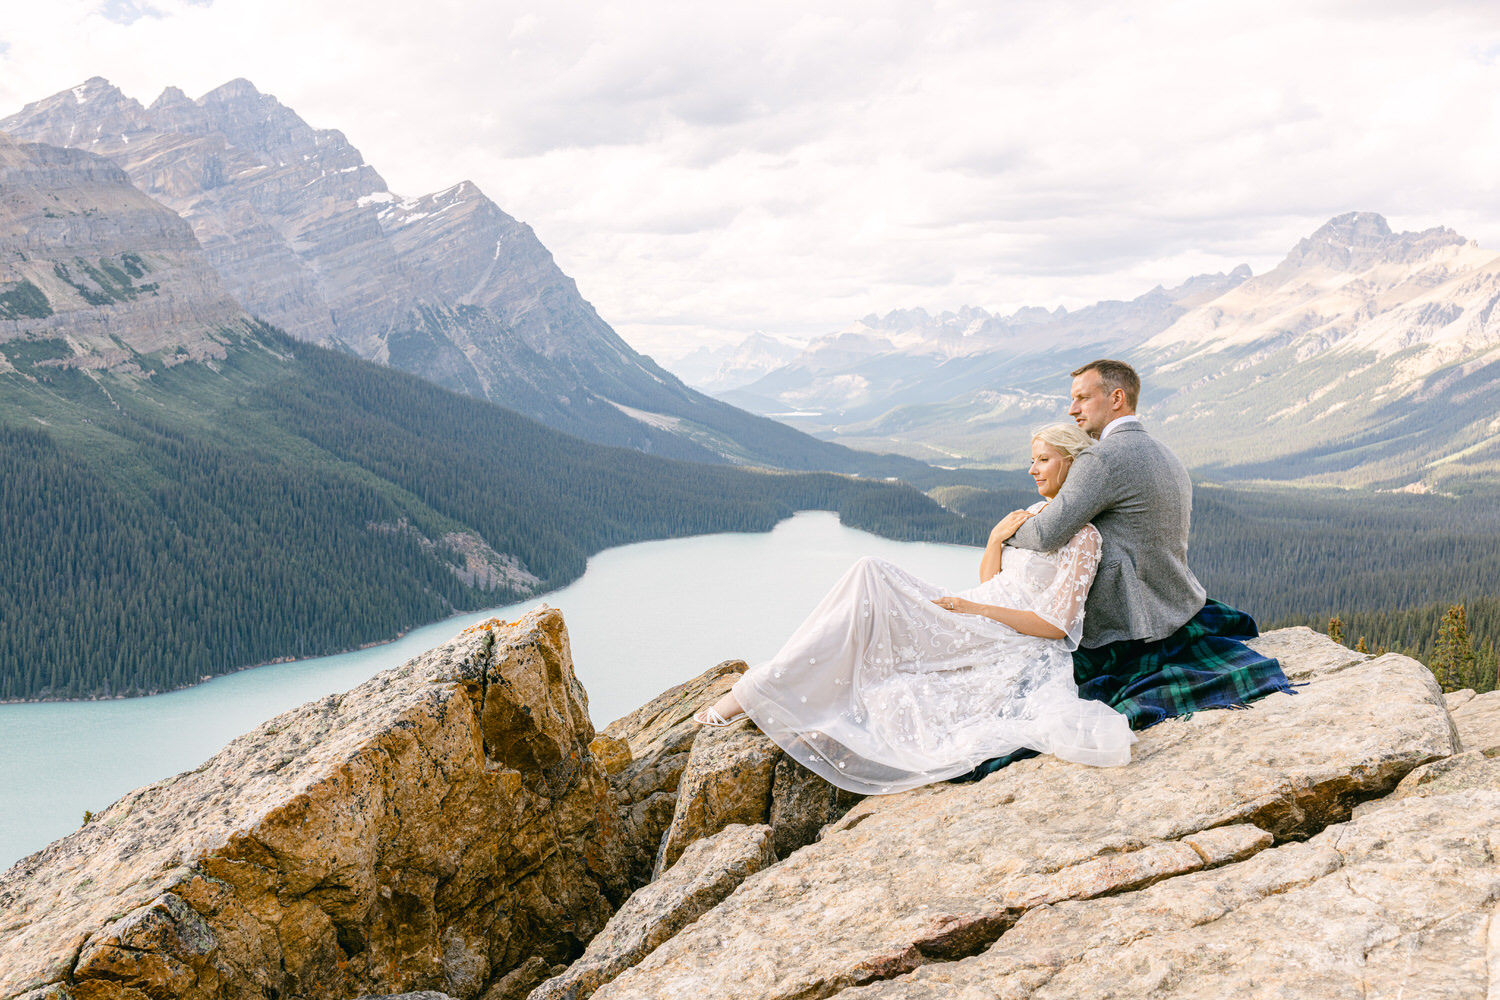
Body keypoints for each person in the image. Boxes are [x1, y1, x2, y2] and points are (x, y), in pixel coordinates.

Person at [692, 423, 1135, 795]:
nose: (1032, 468)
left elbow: (1056, 626)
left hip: (1003, 636)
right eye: (1032, 459)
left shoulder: (1084, 537)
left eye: (1044, 459)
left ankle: (758, 690)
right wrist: (995, 540)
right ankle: (771, 684)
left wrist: (973, 609)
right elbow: (995, 582)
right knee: (868, 584)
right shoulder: (1033, 514)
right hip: (974, 614)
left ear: (1073, 466)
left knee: (873, 575)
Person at [1002, 360, 1292, 737]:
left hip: (1123, 619)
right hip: (1175, 602)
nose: (1072, 409)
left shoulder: (1100, 458)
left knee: (1014, 686)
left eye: (1082, 399)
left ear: (1117, 398)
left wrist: (1004, 533)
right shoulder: (1165, 452)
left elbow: (1045, 534)